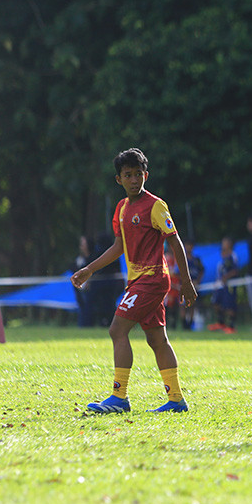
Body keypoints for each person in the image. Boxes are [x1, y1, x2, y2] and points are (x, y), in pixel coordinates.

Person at [71, 148, 197, 414]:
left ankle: (119, 397)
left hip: (152, 278)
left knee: (117, 330)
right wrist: (90, 269)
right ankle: (176, 400)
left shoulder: (155, 205)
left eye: (138, 174)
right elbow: (119, 246)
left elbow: (174, 240)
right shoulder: (122, 208)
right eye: (128, 175)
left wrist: (185, 281)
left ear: (146, 175)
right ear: (119, 179)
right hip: (138, 281)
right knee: (157, 339)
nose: (134, 180)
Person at [209, 236, 240, 333]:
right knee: (216, 302)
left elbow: (235, 270)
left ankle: (231, 326)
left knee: (229, 304)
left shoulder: (232, 256)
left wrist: (226, 277)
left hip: (229, 285)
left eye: (225, 242)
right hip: (220, 285)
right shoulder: (221, 255)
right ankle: (220, 323)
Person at [179, 240, 204, 330]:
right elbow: (178, 272)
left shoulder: (196, 260)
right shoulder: (182, 258)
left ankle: (190, 323)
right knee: (183, 304)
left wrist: (197, 281)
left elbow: (202, 270)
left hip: (194, 285)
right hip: (184, 284)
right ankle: (183, 323)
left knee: (193, 303)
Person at [73, 235, 94, 327]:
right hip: (80, 288)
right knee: (82, 307)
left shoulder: (93, 258)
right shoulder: (79, 260)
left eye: (83, 244)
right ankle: (82, 325)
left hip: (91, 289)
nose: (81, 246)